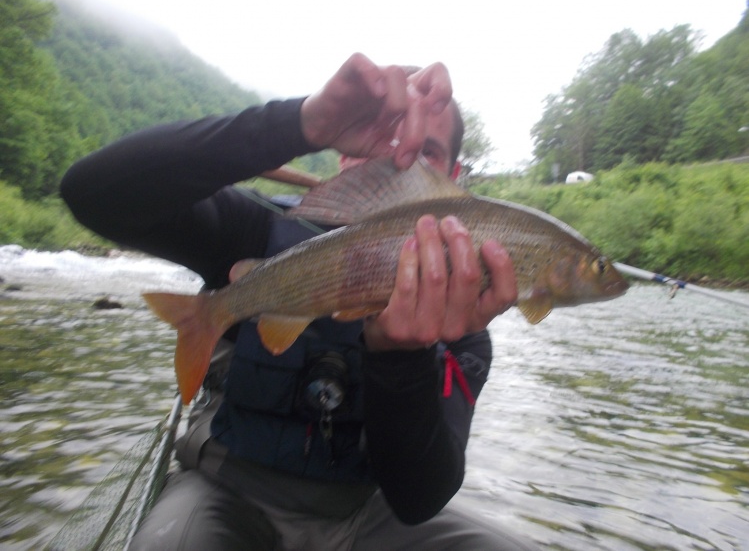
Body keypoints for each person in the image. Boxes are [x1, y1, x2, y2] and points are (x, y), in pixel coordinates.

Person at [60, 53, 537, 550]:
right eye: (383, 140)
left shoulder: (466, 327)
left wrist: (402, 357)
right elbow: (92, 191)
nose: (399, 163)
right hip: (226, 495)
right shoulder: (257, 229)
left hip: (367, 514)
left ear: (454, 180)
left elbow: (419, 499)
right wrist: (303, 122)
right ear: (344, 155)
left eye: (425, 154)